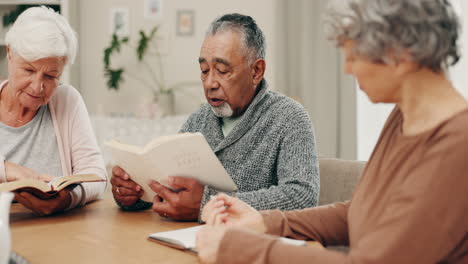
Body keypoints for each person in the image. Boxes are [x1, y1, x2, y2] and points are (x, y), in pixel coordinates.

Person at [196, 0, 468, 263]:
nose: (347, 68)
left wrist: (239, 249)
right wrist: (263, 222)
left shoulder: (458, 145)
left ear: (401, 53)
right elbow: (360, 213)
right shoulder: (404, 116)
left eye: (353, 54)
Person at [110, 13, 320, 221]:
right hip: (186, 241)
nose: (210, 83)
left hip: (252, 245)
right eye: (204, 70)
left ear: (256, 71)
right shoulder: (199, 118)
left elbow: (302, 197)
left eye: (222, 70)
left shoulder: (289, 117)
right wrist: (133, 194)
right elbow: (171, 186)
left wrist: (209, 205)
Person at [0, 7, 107, 215]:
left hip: (57, 232)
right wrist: (8, 170)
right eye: (29, 70)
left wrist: (68, 199)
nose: (37, 87)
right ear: (10, 53)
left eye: (50, 77)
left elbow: (97, 175)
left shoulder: (67, 101)